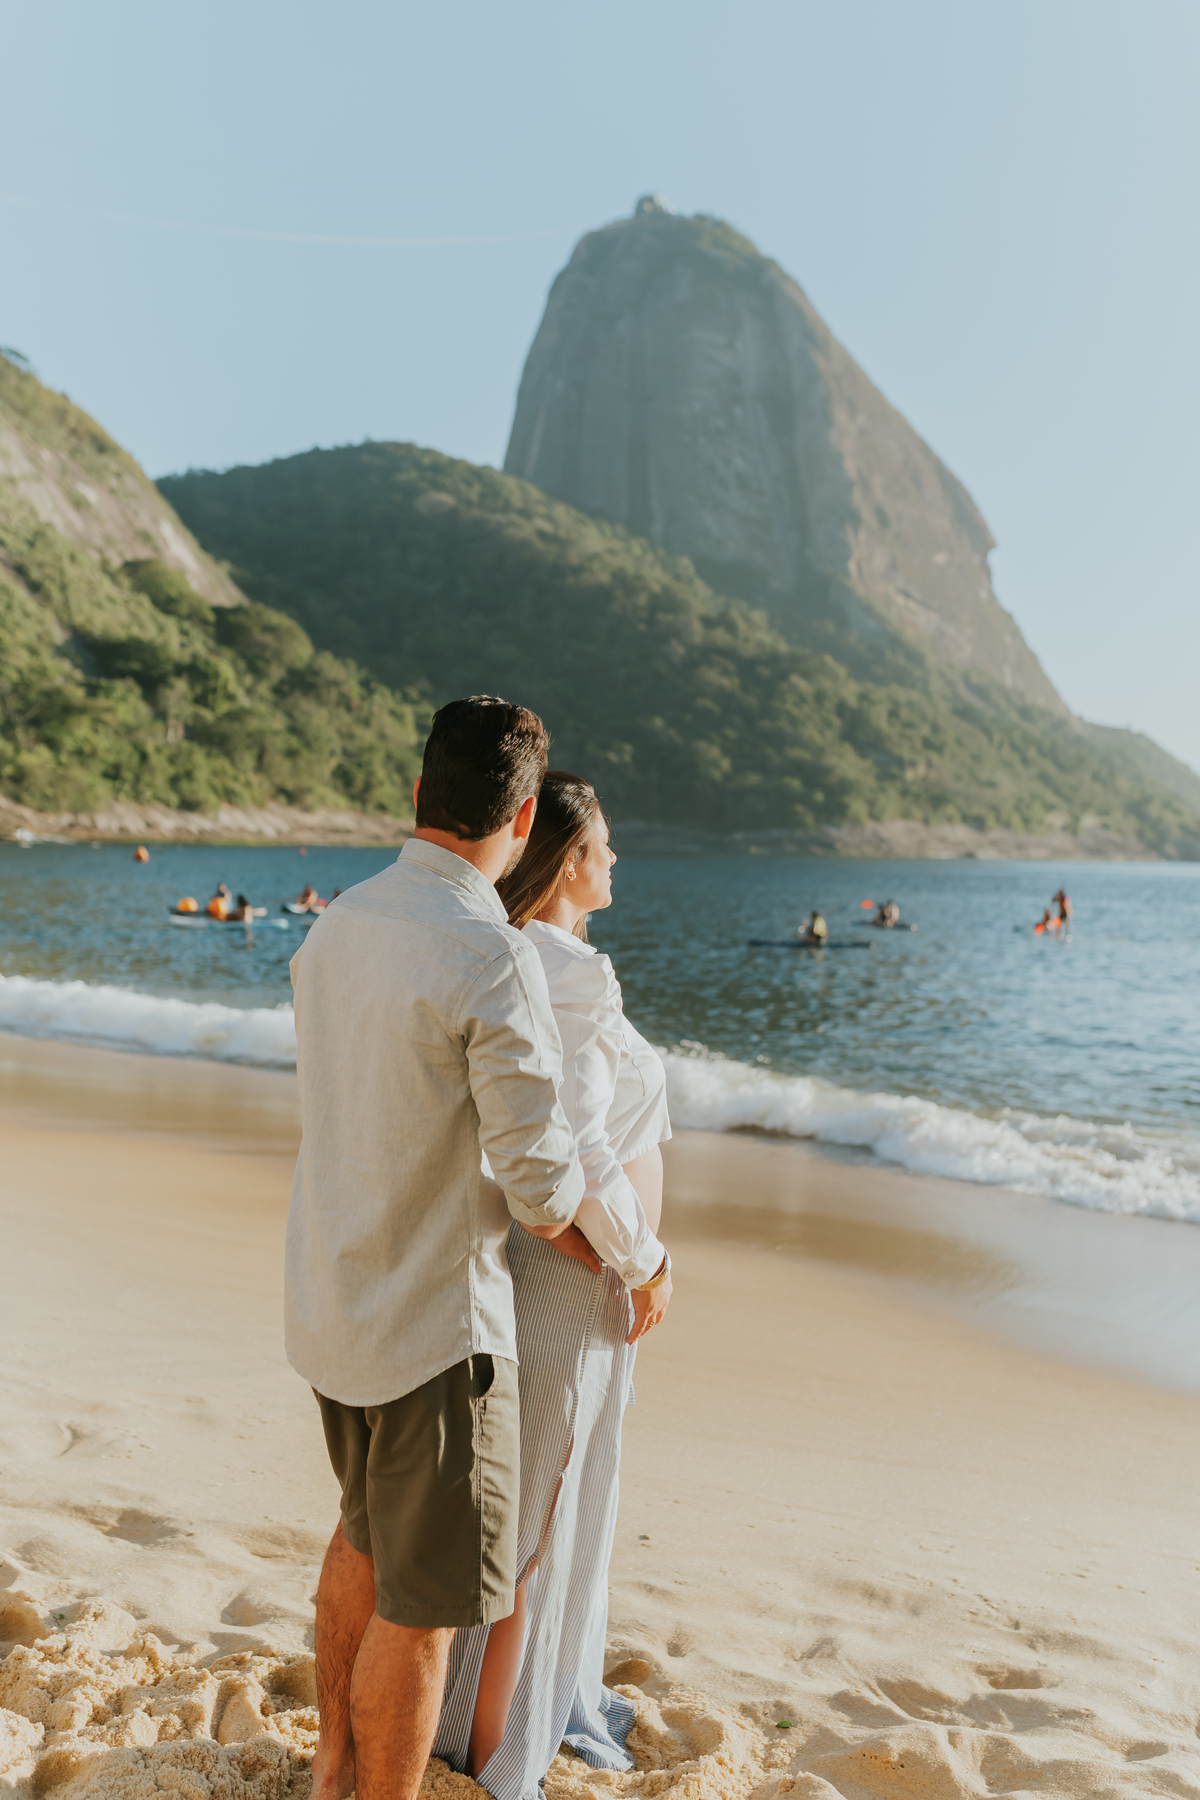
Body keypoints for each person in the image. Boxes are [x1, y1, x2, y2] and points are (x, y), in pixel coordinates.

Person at [286, 696, 588, 1800]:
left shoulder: (338, 923)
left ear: (419, 794)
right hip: (434, 1333)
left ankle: (330, 1772)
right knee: (425, 1612)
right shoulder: (487, 955)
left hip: (334, 1303)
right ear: (518, 823)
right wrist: (636, 1258)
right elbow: (540, 1181)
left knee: (361, 1545)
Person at [433, 774, 673, 1796]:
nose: (615, 862)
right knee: (535, 1526)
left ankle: (488, 1723)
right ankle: (497, 1758)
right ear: (569, 859)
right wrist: (643, 1257)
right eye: (604, 847)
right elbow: (574, 1147)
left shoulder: (520, 954)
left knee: (530, 1511)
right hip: (575, 1283)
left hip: (552, 1271)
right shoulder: (563, 968)